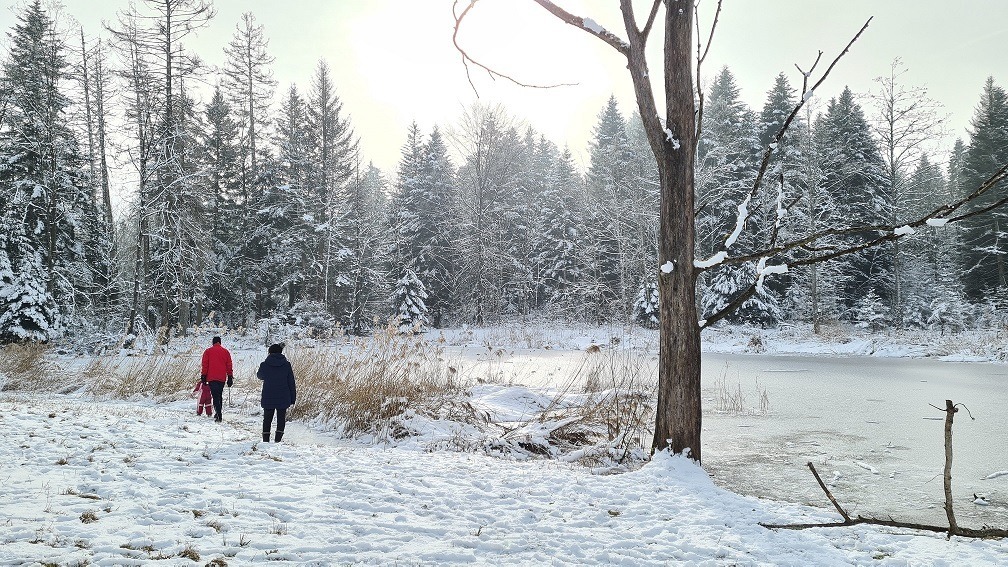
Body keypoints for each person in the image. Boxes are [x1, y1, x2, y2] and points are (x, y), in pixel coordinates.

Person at [257, 342, 296, 442]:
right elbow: (291, 382)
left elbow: (260, 376)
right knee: (281, 419)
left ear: (270, 353)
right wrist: (293, 398)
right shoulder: (286, 365)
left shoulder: (265, 364)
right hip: (283, 395)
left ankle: (266, 440)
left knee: (267, 419)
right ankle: (277, 440)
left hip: (268, 395)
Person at [201, 336, 234, 423]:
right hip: (222, 378)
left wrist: (203, 375)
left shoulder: (208, 351)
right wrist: (230, 376)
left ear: (213, 342)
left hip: (211, 377)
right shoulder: (226, 352)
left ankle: (219, 415)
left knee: (215, 396)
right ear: (220, 342)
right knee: (219, 395)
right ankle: (218, 413)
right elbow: (229, 365)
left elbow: (205, 364)